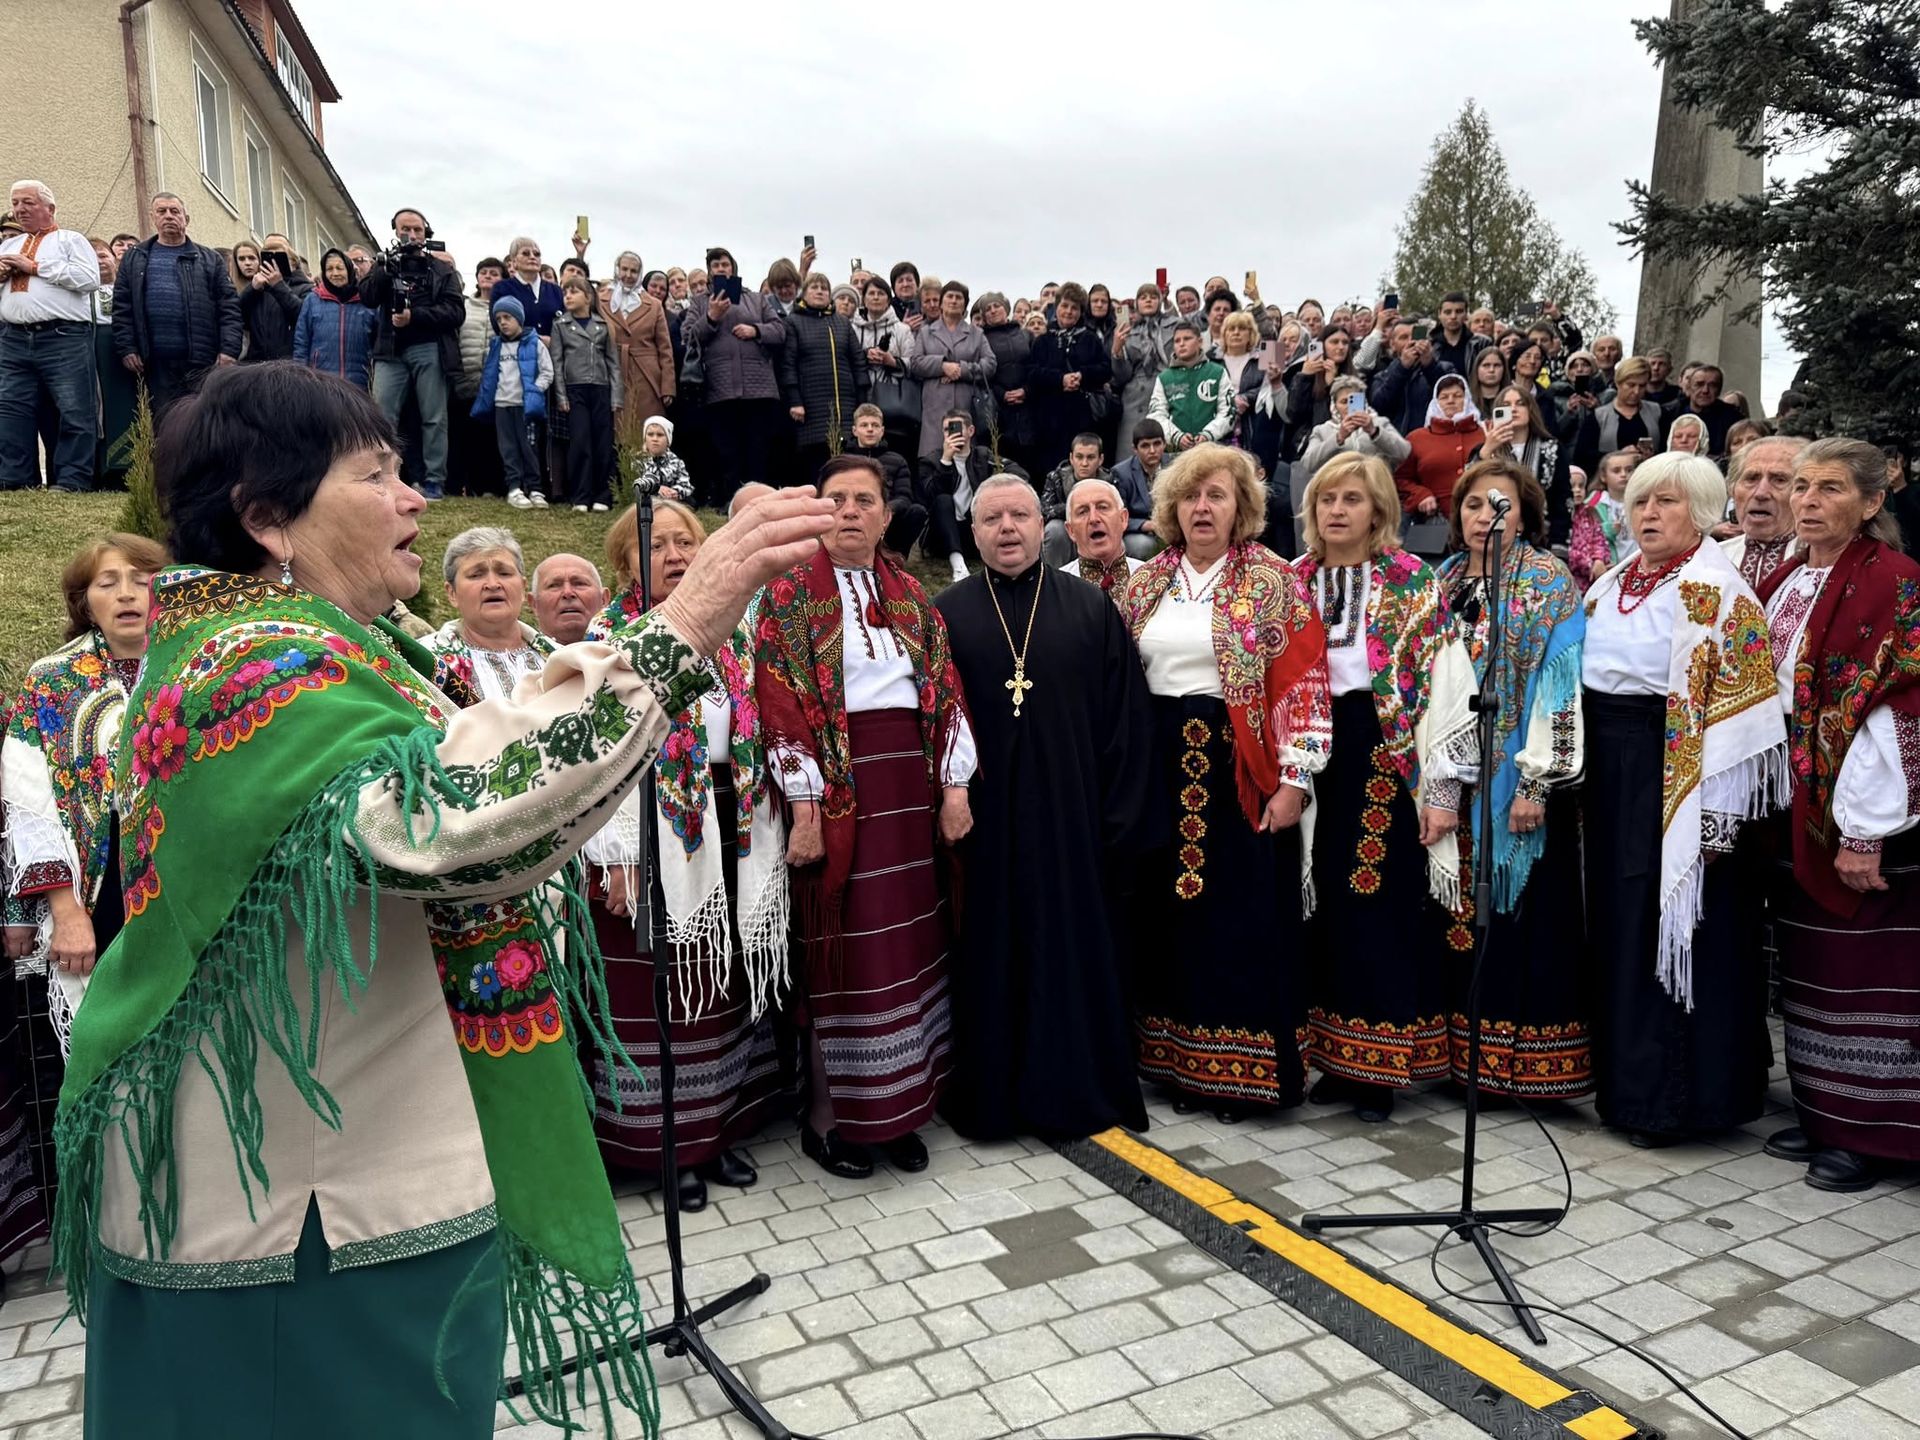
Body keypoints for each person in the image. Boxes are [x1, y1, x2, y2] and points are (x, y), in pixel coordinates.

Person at [52, 360, 833, 1436]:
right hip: (302, 1223)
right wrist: (682, 627)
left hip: (339, 1180)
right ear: (268, 519)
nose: (416, 496)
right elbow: (453, 821)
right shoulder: (250, 666)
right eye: (378, 474)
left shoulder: (327, 644)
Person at [755, 454, 977, 1179]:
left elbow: (944, 692)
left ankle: (902, 1109)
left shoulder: (913, 597)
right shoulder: (785, 598)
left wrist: (954, 790)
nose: (850, 511)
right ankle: (831, 1118)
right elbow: (780, 703)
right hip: (840, 800)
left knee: (912, 953)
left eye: (864, 500)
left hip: (908, 793)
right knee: (845, 956)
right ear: (819, 512)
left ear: (886, 516)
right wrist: (806, 806)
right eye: (836, 500)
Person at [581, 500, 789, 1208]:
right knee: (659, 997)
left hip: (727, 822)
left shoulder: (730, 633)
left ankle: (716, 1132)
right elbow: (598, 761)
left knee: (720, 985)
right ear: (625, 562)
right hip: (650, 839)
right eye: (656, 544)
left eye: (685, 541)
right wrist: (615, 856)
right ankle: (663, 1151)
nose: (673, 553)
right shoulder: (609, 638)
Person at [933, 477, 1153, 1139]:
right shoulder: (946, 612)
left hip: (1071, 820)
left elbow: (1125, 723)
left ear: (1042, 525)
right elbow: (933, 716)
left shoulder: (1089, 607)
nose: (1007, 529)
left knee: (1070, 953)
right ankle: (992, 1101)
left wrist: (1119, 821)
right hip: (985, 823)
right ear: (972, 532)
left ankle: (1074, 1093)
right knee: (992, 955)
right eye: (991, 517)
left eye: (1020, 516)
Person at [1581, 452, 1786, 1146]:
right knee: (1621, 920)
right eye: (1640, 502)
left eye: (1666, 503)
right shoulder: (1614, 581)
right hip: (1610, 765)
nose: (1649, 515)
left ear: (1699, 513)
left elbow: (1738, 715)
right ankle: (1624, 1085)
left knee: (1669, 921)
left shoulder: (1715, 591)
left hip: (1676, 768)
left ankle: (1673, 1101)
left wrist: (1716, 815)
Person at [1120, 444, 1330, 1120]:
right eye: (1190, 496)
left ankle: (1241, 1076)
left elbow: (1303, 683)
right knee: (1163, 912)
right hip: (1157, 762)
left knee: (1239, 914)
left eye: (1216, 495)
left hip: (1238, 766)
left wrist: (1294, 779)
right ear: (1172, 508)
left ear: (1241, 507)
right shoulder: (1145, 580)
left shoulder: (1270, 579)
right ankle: (1176, 1063)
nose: (1202, 507)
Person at [1757, 439, 1920, 1192]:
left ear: (1873, 502)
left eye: (1827, 488)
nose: (1807, 500)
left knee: (1871, 973)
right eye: (1801, 486)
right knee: (1814, 967)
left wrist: (1865, 831)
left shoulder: (1892, 580)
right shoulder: (1795, 575)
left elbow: (1891, 713)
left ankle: (1879, 1137)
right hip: (1801, 803)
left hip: (1861, 817)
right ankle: (1828, 1114)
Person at [1296, 453, 1478, 1121]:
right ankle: (1335, 1060)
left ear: (1378, 510)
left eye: (1352, 498)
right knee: (1322, 906)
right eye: (1326, 499)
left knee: (1376, 902)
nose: (1337, 511)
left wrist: (1442, 790)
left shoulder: (1410, 582)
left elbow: (1450, 688)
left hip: (1386, 755)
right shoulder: (1295, 580)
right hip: (1313, 753)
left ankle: (1377, 1068)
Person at [1434, 461, 1591, 1099]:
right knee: (1456, 920)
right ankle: (1459, 1060)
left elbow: (1561, 688)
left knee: (1517, 920)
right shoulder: (1442, 580)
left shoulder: (1549, 581)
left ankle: (1521, 1071)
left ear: (1524, 512)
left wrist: (1538, 782)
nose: (1484, 518)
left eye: (1499, 505)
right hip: (1454, 779)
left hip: (1515, 785)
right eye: (1472, 506)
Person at [4, 532, 168, 1049]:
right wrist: (66, 910)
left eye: (142, 581)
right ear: (85, 601)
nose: (127, 594)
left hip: (188, 885)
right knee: (110, 1044)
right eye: (108, 582)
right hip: (102, 894)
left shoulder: (201, 667)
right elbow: (30, 802)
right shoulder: (52, 682)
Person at [0, 180, 102, 492]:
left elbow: (89, 278)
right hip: (13, 338)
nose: (20, 209)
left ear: (50, 208)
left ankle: (72, 480)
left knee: (74, 410)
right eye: (16, 203)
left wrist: (34, 266)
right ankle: (16, 478)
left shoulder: (71, 240)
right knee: (11, 409)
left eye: (27, 202)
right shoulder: (6, 246)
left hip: (63, 336)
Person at [358, 209, 466, 500]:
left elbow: (456, 311)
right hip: (389, 350)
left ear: (426, 233)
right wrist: (384, 265)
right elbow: (367, 297)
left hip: (428, 347)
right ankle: (383, 476)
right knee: (383, 417)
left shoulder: (441, 269)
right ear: (395, 232)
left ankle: (434, 481)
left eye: (417, 230)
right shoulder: (386, 264)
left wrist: (414, 316)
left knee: (434, 416)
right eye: (405, 229)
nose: (412, 235)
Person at [109, 192, 241, 418]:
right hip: (154, 363)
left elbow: (229, 308)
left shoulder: (210, 259)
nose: (168, 216)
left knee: (203, 422)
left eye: (174, 211)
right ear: (153, 218)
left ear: (186, 219)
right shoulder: (135, 258)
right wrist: (127, 348)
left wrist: (229, 350)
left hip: (202, 361)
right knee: (164, 425)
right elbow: (122, 308)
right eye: (162, 211)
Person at [683, 246, 786, 503]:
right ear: (709, 273)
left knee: (757, 449)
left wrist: (756, 330)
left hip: (758, 388)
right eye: (715, 265)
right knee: (727, 451)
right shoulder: (699, 302)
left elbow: (780, 331)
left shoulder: (755, 299)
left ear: (733, 268)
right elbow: (688, 337)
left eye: (725, 264)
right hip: (720, 388)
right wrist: (711, 317)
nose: (721, 268)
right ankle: (731, 501)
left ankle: (760, 501)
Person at [426, 527, 553, 700]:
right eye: (476, 575)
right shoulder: (426, 662)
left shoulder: (563, 659)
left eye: (504, 573)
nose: (493, 584)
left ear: (523, 588)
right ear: (452, 593)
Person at [921, 411, 1030, 582]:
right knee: (943, 500)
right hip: (941, 535)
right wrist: (946, 462)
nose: (951, 433)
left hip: (974, 531)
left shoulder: (983, 456)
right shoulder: (932, 460)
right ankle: (958, 565)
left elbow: (1018, 473)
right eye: (947, 429)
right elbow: (929, 496)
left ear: (971, 431)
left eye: (956, 428)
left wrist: (997, 486)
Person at [779, 271, 867, 482]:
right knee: (816, 469)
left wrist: (863, 402)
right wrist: (795, 401)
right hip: (810, 410)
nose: (819, 292)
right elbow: (787, 364)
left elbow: (858, 362)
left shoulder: (842, 323)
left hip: (845, 408)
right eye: (814, 287)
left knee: (845, 468)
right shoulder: (793, 322)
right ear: (804, 293)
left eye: (824, 288)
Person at [470, 295, 552, 510]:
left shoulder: (535, 344)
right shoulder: (496, 346)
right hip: (501, 405)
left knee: (529, 447)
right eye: (498, 319)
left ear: (519, 318)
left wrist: (535, 390)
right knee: (508, 448)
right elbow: (489, 373)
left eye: (507, 317)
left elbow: (547, 372)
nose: (503, 322)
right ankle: (514, 488)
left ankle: (535, 488)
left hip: (525, 406)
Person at [550, 274, 621, 513]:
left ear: (588, 297)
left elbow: (613, 363)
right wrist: (561, 396)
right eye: (565, 292)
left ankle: (603, 495)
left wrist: (616, 397)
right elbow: (557, 362)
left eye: (574, 291)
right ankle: (581, 495)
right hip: (575, 389)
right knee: (580, 442)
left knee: (603, 443)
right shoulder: (561, 325)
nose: (568, 296)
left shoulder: (602, 326)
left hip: (600, 389)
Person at [1026, 283, 1112, 473]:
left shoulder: (1090, 339)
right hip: (1048, 423)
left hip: (1082, 420)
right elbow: (1032, 374)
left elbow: (1106, 369)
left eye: (1074, 308)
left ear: (1081, 311)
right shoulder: (1043, 341)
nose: (1068, 311)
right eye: (1064, 306)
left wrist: (1082, 376)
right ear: (1056, 308)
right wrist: (1060, 380)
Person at [908, 280, 996, 462]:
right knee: (933, 464)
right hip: (934, 411)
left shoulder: (976, 334)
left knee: (965, 464)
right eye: (949, 296)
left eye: (959, 297)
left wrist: (961, 370)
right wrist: (942, 366)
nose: (954, 301)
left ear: (965, 304)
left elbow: (990, 365)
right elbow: (915, 363)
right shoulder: (925, 332)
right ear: (941, 303)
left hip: (965, 407)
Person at [1478, 382, 1573, 541]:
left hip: (1541, 536)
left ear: (1531, 410)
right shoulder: (1483, 451)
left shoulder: (1552, 449)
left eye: (1520, 404)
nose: (1513, 409)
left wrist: (1559, 546)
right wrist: (1487, 451)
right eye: (1506, 405)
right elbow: (1470, 491)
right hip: (1494, 534)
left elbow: (1562, 499)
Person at [604, 250, 674, 452]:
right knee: (616, 434)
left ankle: (647, 482)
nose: (628, 275)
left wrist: (668, 386)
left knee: (645, 434)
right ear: (617, 270)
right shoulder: (601, 300)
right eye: (624, 269)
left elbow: (665, 348)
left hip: (646, 376)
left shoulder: (653, 305)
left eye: (633, 271)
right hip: (614, 371)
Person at [1395, 373, 1485, 523]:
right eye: (1444, 397)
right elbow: (1401, 479)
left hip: (1482, 517)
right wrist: (1421, 495)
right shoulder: (1417, 438)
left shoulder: (1485, 432)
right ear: (1435, 402)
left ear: (1467, 399)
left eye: (1457, 396)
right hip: (1435, 522)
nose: (1451, 401)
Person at [1721, 435, 1805, 589]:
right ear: (1732, 489)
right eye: (1751, 478)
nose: (1761, 493)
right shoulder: (1714, 559)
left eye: (1779, 480)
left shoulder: (1822, 562)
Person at [1111, 282, 1178, 462]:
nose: (1148, 300)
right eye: (1143, 297)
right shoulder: (1127, 330)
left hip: (1166, 389)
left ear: (1160, 300)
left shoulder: (1174, 325)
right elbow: (1121, 376)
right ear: (1137, 303)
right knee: (1129, 455)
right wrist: (1117, 351)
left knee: (1166, 455)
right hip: (1134, 398)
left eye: (1153, 297)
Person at [844, 403, 922, 557]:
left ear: (882, 431)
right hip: (852, 516)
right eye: (864, 425)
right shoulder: (843, 461)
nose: (870, 429)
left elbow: (904, 498)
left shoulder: (898, 460)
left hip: (887, 520)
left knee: (916, 512)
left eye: (875, 425)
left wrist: (884, 510)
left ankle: (895, 559)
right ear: (855, 430)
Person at [852, 275, 917, 456]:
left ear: (888, 298)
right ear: (863, 298)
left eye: (880, 293)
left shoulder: (902, 330)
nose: (875, 297)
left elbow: (914, 364)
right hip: (860, 398)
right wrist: (864, 355)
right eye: (871, 293)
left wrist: (892, 361)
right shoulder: (852, 328)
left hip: (894, 405)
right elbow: (845, 360)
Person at [292, 249, 377, 388]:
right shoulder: (313, 300)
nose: (335, 273)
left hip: (359, 383)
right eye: (329, 269)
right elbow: (301, 343)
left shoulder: (366, 299)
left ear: (349, 270)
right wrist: (301, 377)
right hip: (321, 383)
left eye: (340, 268)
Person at [1570, 355, 1664, 477]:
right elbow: (1582, 457)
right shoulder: (1599, 417)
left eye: (1642, 386)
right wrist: (1618, 455)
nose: (1636, 391)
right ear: (1618, 383)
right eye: (1631, 385)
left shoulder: (1657, 412)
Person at [1147, 321, 1231, 453]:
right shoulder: (1164, 378)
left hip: (1213, 450)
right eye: (1177, 341)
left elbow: (1228, 412)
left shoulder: (1218, 372)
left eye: (1187, 339)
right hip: (1176, 453)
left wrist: (1208, 434)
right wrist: (1176, 436)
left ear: (1200, 341)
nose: (1181, 343)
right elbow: (1156, 414)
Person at [1568, 449, 1642, 590]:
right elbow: (1585, 537)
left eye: (1629, 470)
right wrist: (1606, 530)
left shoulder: (1644, 501)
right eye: (1616, 470)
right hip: (1609, 569)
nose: (1623, 475)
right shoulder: (1592, 504)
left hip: (1638, 565)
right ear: (1603, 476)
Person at [1062, 477, 1148, 595]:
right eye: (1083, 512)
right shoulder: (1055, 589)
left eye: (1102, 507)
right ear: (1071, 530)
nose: (1093, 518)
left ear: (1123, 519)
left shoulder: (1151, 580)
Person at [237, 233, 311, 363]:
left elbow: (302, 316)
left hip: (289, 363)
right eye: (269, 257)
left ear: (293, 262)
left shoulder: (306, 288)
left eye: (280, 257)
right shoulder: (259, 289)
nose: (274, 263)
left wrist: (278, 285)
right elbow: (238, 315)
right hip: (256, 364)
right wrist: (251, 289)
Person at [1040, 432, 1111, 568]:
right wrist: (1076, 509)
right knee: (1054, 530)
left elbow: (1118, 512)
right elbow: (1045, 510)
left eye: (1090, 457)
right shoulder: (1056, 478)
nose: (1084, 463)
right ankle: (1053, 580)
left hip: (1096, 529)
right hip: (1065, 533)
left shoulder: (1110, 481)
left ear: (1100, 459)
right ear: (1071, 458)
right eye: (1079, 457)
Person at [1106, 419, 1166, 559]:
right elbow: (1116, 516)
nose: (1152, 451)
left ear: (1164, 444)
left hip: (1170, 527)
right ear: (1135, 449)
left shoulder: (1175, 466)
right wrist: (1146, 525)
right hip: (1137, 532)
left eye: (1157, 444)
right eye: (1145, 446)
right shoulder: (1121, 473)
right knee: (1144, 545)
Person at [529, 552, 607, 646]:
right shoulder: (515, 658)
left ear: (603, 599)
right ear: (534, 604)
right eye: (554, 585)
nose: (568, 593)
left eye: (579, 583)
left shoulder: (625, 656)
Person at [492, 237, 563, 338]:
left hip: (553, 352)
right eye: (525, 253)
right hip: (516, 351)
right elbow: (497, 324)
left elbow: (565, 327)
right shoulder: (502, 289)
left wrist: (554, 343)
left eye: (536, 254)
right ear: (514, 261)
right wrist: (535, 340)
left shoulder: (556, 290)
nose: (532, 257)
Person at [1680, 363, 1742, 459]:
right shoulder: (1671, 414)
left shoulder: (1733, 419)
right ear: (1689, 387)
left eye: (1713, 385)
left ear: (1719, 390)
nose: (1705, 390)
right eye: (1699, 384)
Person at [632, 414, 694, 502]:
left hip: (671, 501)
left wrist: (675, 492)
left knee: (690, 501)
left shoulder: (676, 462)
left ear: (668, 440)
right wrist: (656, 489)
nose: (655, 439)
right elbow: (634, 484)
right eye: (650, 434)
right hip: (647, 501)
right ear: (645, 438)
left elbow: (685, 484)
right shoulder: (638, 461)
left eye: (660, 435)